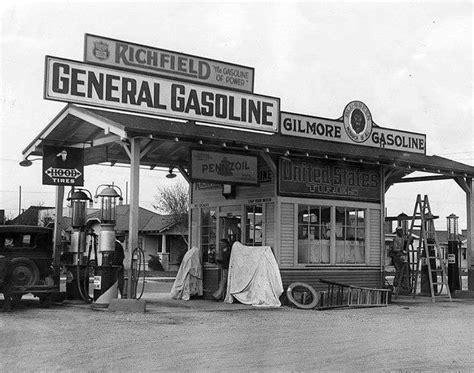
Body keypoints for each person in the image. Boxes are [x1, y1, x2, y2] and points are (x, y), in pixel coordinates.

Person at [391, 227, 409, 293]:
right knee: (398, 271)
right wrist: (401, 250)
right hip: (397, 257)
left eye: (402, 231)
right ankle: (395, 285)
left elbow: (406, 241)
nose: (402, 232)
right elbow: (394, 249)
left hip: (401, 256)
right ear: (397, 232)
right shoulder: (396, 239)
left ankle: (403, 285)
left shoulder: (402, 239)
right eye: (400, 231)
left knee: (404, 271)